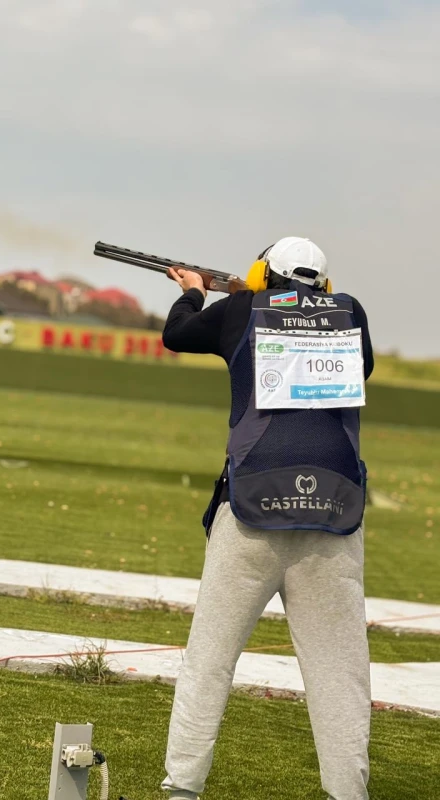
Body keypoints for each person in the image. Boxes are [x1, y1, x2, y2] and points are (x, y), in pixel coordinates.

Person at [160, 237, 374, 800]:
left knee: (208, 661)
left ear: (261, 272)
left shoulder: (237, 311)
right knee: (340, 675)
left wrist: (195, 294)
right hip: (335, 514)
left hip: (251, 511)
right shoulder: (351, 314)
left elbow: (176, 336)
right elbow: (361, 362)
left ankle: (182, 786)